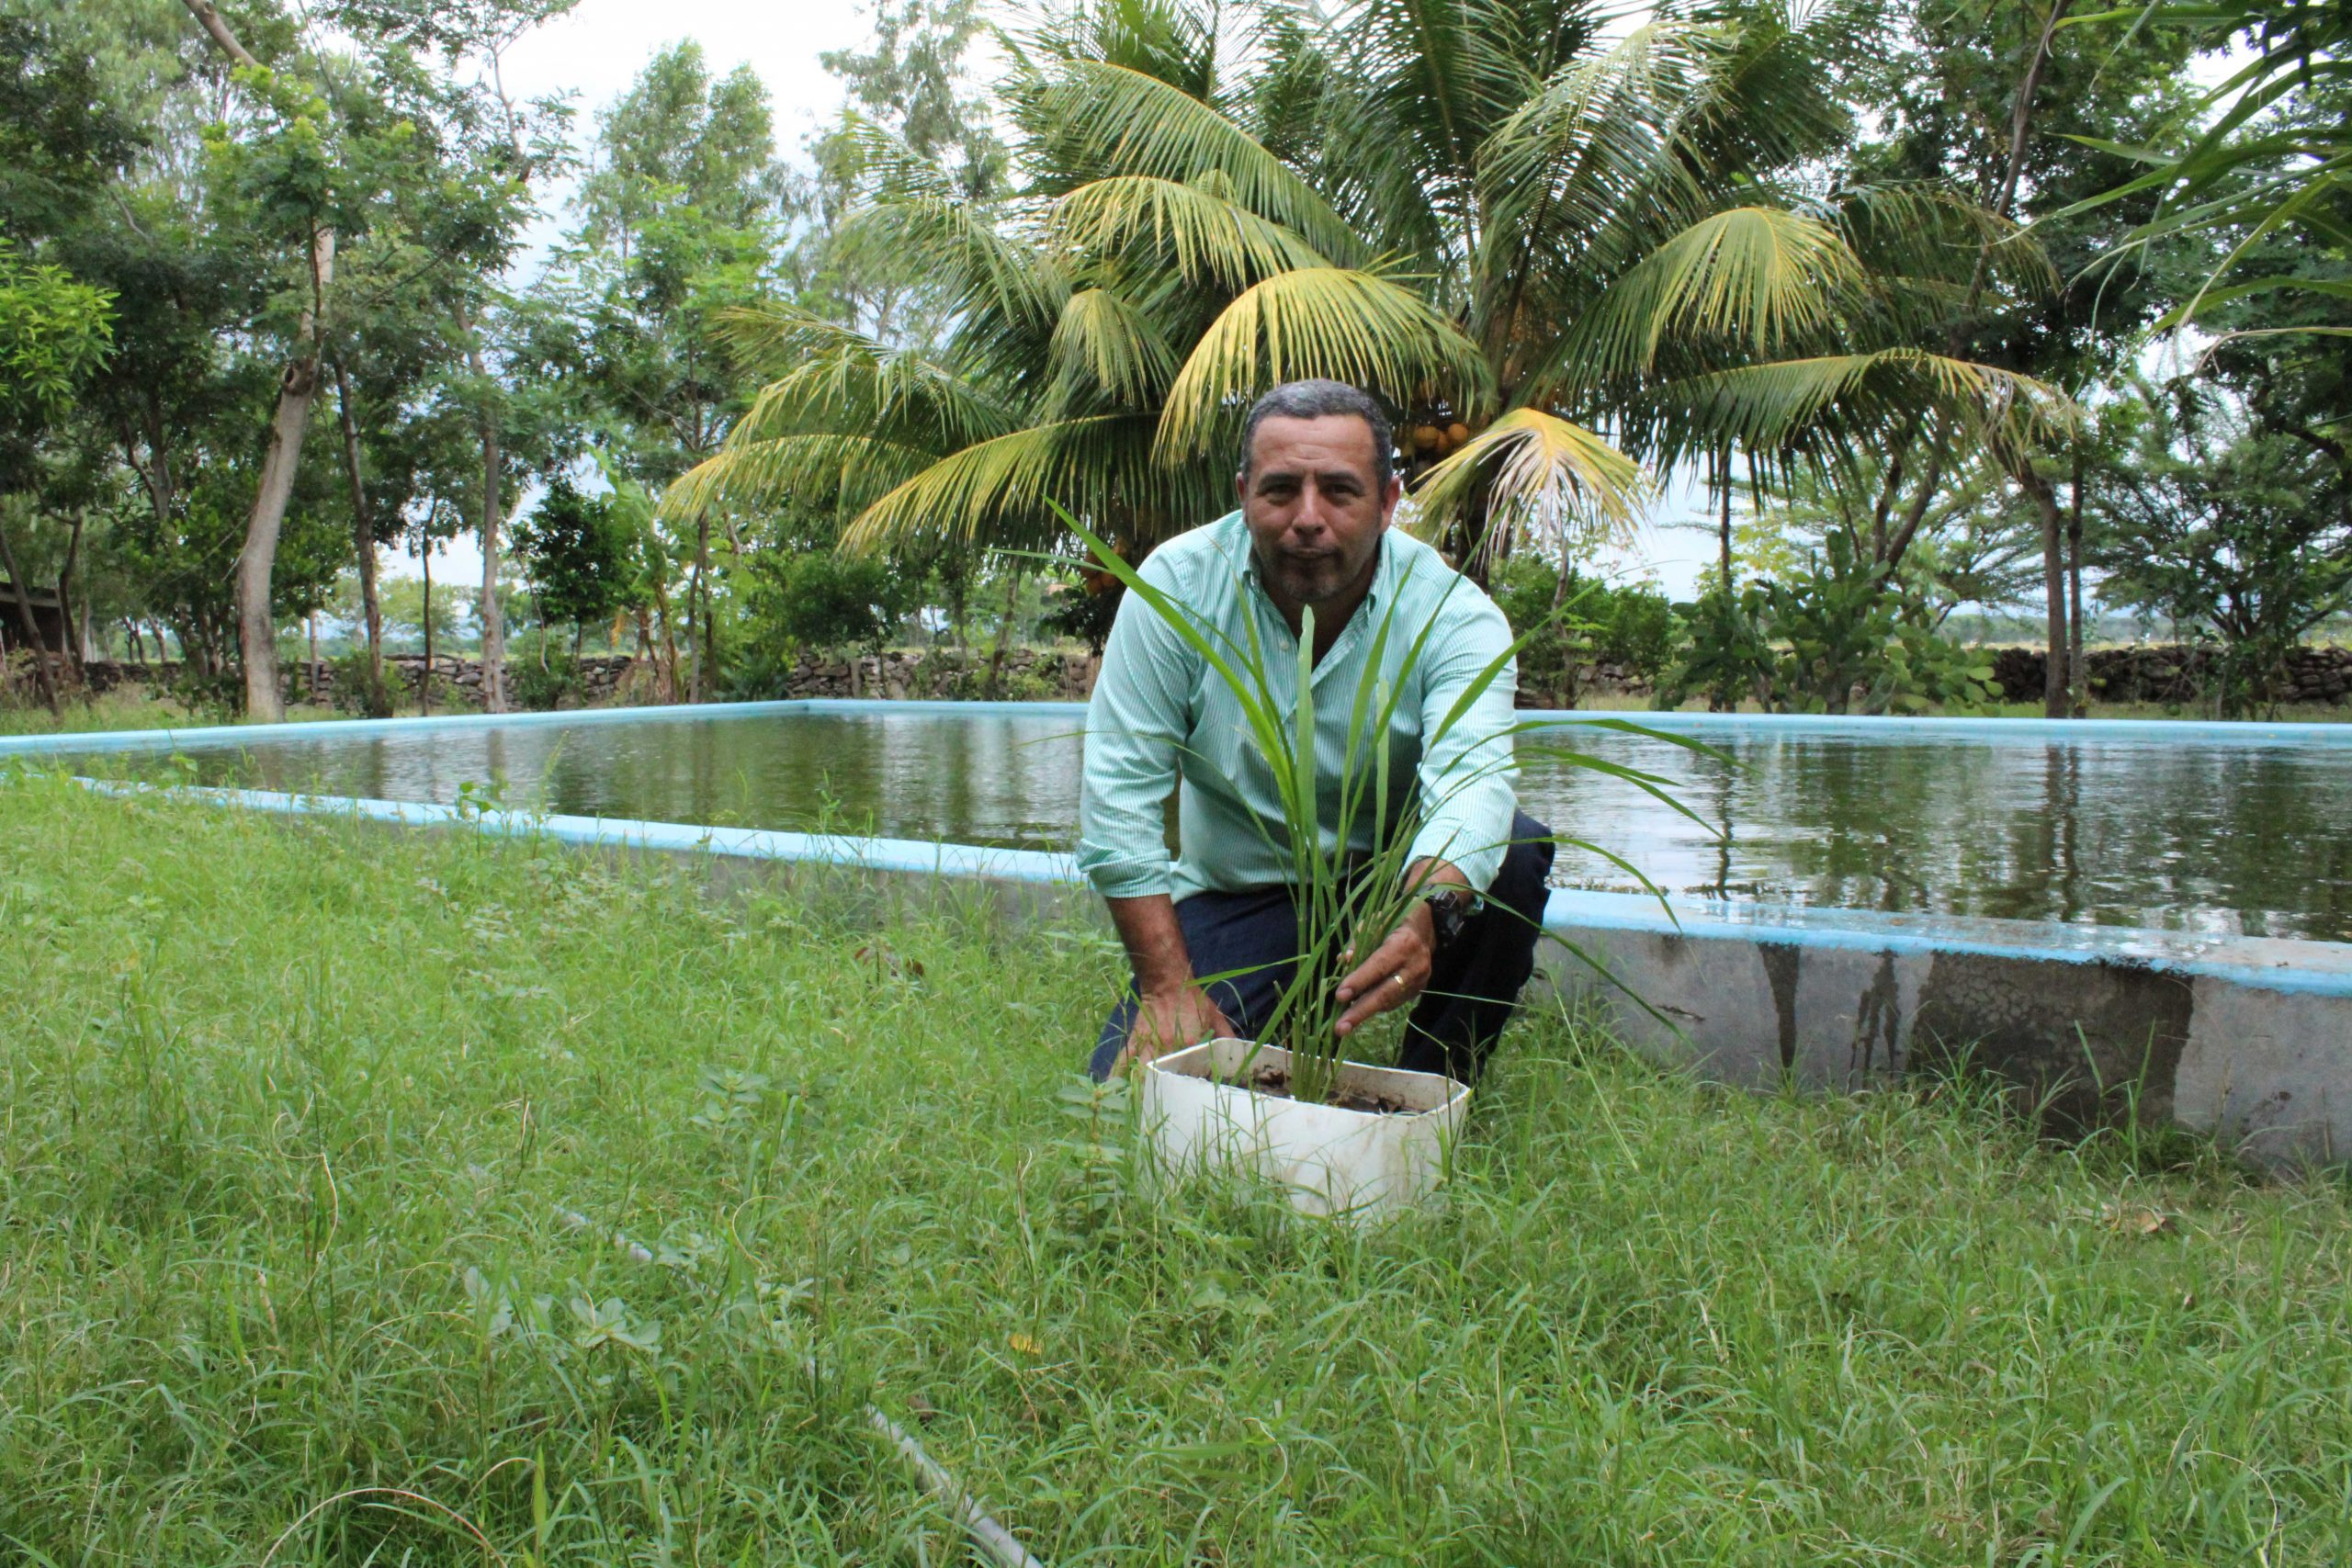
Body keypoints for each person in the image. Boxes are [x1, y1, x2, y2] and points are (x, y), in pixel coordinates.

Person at [1079, 378, 1556, 1084]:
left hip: (1394, 881)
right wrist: (1167, 988)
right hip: (1243, 894)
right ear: (1243, 493)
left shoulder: (1454, 615)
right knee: (1130, 1091)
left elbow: (1474, 786)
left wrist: (1429, 908)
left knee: (1512, 849)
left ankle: (1437, 1088)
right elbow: (1119, 795)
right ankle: (1271, 1016)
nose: (1308, 518)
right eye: (1279, 491)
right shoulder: (1175, 589)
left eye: (1339, 490)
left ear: (1390, 501)